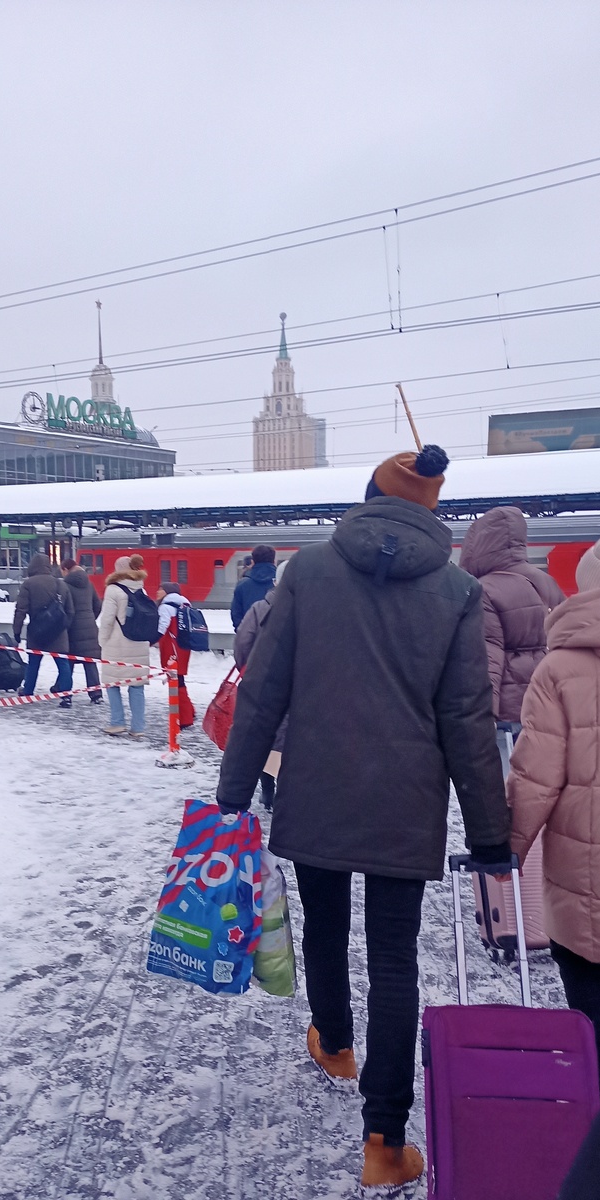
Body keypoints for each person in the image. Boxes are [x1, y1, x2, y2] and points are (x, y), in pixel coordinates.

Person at [216, 445, 511, 1193]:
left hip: (314, 788)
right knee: (393, 959)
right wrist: (487, 835)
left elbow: (263, 691)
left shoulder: (308, 572)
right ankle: (383, 1142)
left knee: (323, 924)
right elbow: (467, 720)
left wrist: (231, 796)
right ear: (430, 509)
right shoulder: (454, 591)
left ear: (368, 495)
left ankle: (334, 1043)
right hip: (404, 802)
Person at [507, 538, 600, 1069]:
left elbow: (534, 778)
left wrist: (504, 853)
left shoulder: (562, 668)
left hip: (587, 892)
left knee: (591, 1027)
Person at [459, 505, 565, 772]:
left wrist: (485, 713)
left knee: (506, 784)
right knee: (541, 776)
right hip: (545, 700)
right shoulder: (546, 582)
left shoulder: (484, 589)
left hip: (506, 711)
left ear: (479, 544)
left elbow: (488, 657)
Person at [233, 559, 289, 811]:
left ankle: (267, 790)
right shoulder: (313, 608)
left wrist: (247, 669)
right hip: (298, 686)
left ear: (276, 581)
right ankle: (286, 791)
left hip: (263, 682)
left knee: (265, 735)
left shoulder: (259, 609)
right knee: (290, 738)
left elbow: (242, 642)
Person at [98, 554, 151, 738]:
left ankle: (117, 722)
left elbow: (107, 620)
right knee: (137, 686)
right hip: (139, 644)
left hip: (117, 644)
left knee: (112, 683)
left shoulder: (113, 590)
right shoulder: (141, 589)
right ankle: (138, 727)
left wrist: (102, 642)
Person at [13, 554, 74, 705]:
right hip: (58, 632)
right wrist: (63, 626)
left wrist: (17, 631)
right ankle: (66, 695)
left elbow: (20, 610)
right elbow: (71, 611)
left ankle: (28, 691)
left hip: (37, 631)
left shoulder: (28, 584)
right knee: (63, 665)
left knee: (33, 663)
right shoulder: (61, 585)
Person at [60, 557, 103, 705]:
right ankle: (96, 694)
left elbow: (63, 608)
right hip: (90, 628)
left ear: (66, 569)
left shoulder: (65, 585)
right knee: (90, 663)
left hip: (71, 629)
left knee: (68, 663)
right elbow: (97, 605)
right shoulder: (89, 584)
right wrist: (90, 618)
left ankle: (66, 694)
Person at [156, 583, 195, 729]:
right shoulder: (185, 604)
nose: (157, 591)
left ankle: (184, 718)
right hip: (184, 647)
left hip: (171, 647)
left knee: (176, 681)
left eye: (161, 589)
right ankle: (189, 711)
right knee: (180, 679)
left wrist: (151, 640)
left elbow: (162, 628)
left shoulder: (165, 607)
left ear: (167, 592)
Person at [230, 544, 276, 630]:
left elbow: (236, 615)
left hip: (250, 637)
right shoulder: (283, 583)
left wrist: (244, 635)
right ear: (273, 561)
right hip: (277, 639)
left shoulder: (242, 585)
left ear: (253, 561)